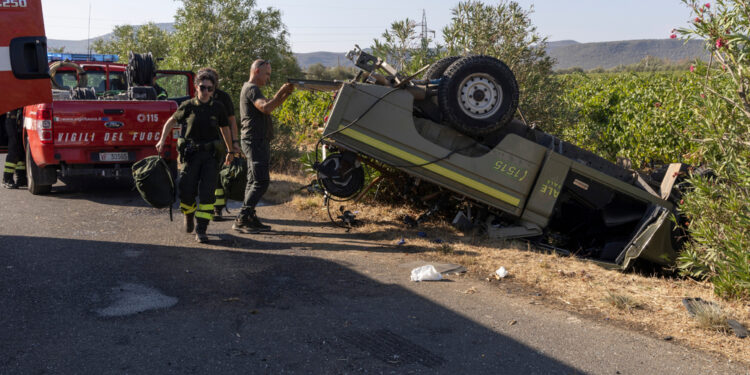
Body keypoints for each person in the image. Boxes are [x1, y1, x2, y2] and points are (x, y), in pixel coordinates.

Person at [155, 68, 235, 243]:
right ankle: (189, 215)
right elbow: (171, 121)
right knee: (186, 190)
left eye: (209, 88)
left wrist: (230, 150)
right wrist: (162, 140)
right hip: (191, 156)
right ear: (196, 87)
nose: (206, 91)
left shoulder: (218, 107)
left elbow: (225, 129)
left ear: (213, 89)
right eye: (202, 87)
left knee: (207, 194)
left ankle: (202, 229)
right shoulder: (188, 106)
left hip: (210, 157)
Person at [232, 59, 294, 233]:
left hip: (256, 141)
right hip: (254, 141)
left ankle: (249, 216)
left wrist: (285, 95)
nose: (268, 78)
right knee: (261, 181)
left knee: (253, 180)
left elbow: (269, 107)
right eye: (267, 74)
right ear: (257, 71)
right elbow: (265, 108)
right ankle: (243, 218)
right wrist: (281, 91)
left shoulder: (251, 88)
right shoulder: (252, 89)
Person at [202, 67, 241, 219]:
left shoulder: (223, 97)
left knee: (219, 176)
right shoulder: (198, 95)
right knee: (206, 177)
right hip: (203, 143)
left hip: (221, 143)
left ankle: (217, 208)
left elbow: (232, 121)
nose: (206, 88)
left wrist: (234, 142)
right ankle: (206, 208)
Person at [3, 109, 27, 189]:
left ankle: (21, 178)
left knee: (21, 151)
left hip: (19, 119)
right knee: (14, 150)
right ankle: (7, 179)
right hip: (12, 120)